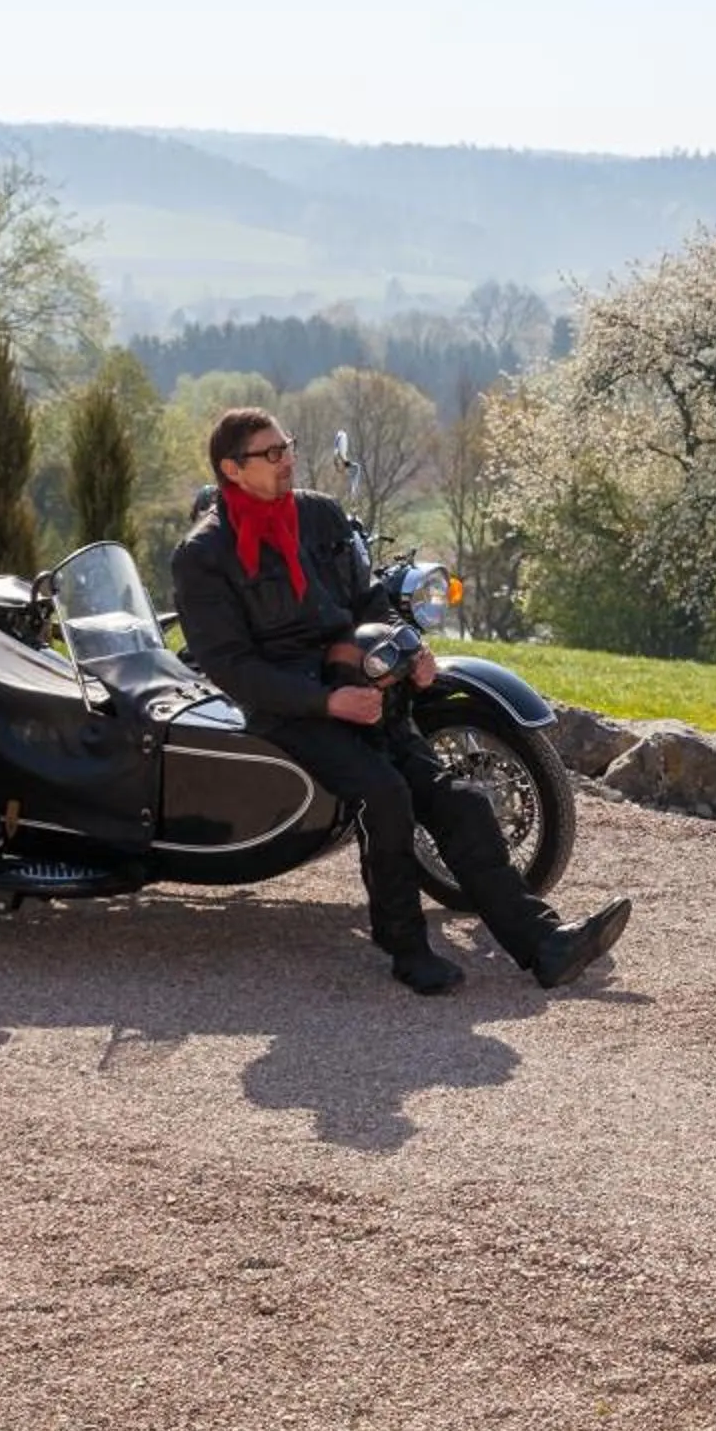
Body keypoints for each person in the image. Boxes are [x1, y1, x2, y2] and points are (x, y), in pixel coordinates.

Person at [172, 405, 631, 996]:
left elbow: (370, 602)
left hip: (367, 687)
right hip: (291, 710)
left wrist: (410, 650)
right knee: (384, 795)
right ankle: (406, 948)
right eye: (272, 453)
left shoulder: (319, 514)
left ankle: (545, 945)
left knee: (460, 803)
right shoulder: (203, 554)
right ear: (232, 469)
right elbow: (231, 667)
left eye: (289, 446)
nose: (288, 460)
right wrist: (328, 703)